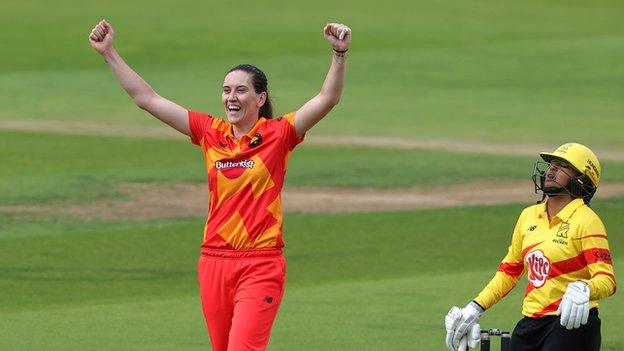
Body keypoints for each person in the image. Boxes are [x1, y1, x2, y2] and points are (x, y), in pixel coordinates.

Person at [88, 19, 351, 351]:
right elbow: (147, 99)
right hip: (213, 261)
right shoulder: (210, 132)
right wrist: (109, 52)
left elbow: (327, 99)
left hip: (260, 262)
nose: (231, 97)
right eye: (226, 90)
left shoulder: (279, 133)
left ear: (260, 98)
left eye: (241, 90)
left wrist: (339, 54)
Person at [444, 143, 616, 351]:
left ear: (582, 178)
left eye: (562, 166)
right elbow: (509, 272)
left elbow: (607, 280)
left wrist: (586, 288)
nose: (551, 170)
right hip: (530, 324)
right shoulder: (528, 216)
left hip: (572, 324)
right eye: (551, 164)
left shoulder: (587, 221)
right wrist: (475, 308)